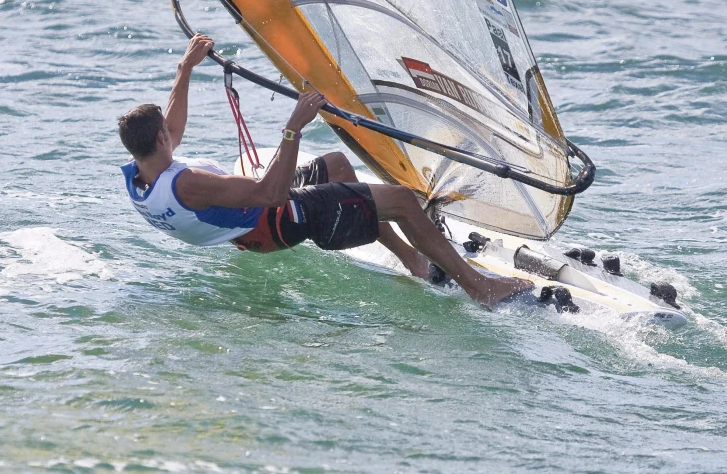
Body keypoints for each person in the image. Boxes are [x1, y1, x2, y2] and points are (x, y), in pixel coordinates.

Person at [118, 34, 533, 308]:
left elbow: (171, 125)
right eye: (166, 134)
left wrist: (184, 69)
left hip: (247, 223)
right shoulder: (189, 183)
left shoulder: (142, 177)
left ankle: (412, 258)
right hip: (273, 220)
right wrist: (292, 128)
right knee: (403, 202)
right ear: (159, 141)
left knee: (335, 164)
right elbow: (271, 196)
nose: (173, 133)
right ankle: (481, 289)